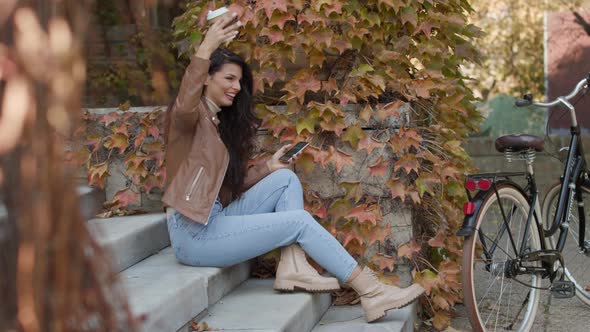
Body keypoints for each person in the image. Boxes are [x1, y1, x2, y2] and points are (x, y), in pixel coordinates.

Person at [162, 12, 425, 323]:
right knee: (298, 221)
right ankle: (371, 292)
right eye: (228, 79)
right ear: (205, 77)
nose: (235, 87)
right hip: (194, 234)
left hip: (215, 218)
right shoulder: (186, 119)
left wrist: (269, 166)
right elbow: (185, 103)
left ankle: (292, 265)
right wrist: (206, 47)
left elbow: (224, 187)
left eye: (239, 81)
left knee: (285, 177)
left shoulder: (217, 122)